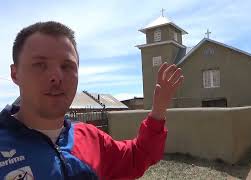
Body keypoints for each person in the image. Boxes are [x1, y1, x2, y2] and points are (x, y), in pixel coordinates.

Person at [0, 21, 184, 179]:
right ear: (15, 74)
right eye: (40, 64)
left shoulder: (91, 138)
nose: (56, 76)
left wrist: (158, 110)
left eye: (67, 66)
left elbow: (136, 157)